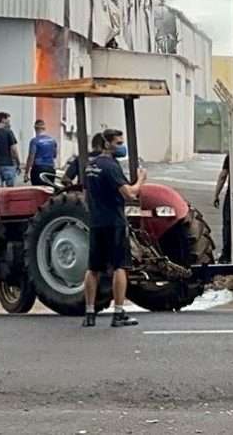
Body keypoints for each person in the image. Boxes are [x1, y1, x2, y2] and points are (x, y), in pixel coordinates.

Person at [82, 128, 146, 328]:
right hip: (114, 223)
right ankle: (118, 313)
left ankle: (90, 314)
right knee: (120, 267)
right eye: (118, 143)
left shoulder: (90, 166)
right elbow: (129, 194)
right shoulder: (111, 167)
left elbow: (86, 194)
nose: (121, 146)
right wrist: (141, 179)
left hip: (96, 222)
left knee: (93, 268)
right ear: (107, 143)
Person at [212, 154, 232, 264]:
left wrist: (216, 195)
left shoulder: (231, 154)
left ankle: (226, 256)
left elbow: (223, 175)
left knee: (228, 224)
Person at [27, 119, 59, 186]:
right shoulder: (53, 141)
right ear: (44, 128)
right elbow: (55, 155)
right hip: (50, 169)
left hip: (38, 169)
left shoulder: (34, 141)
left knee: (38, 191)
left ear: (35, 128)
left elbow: (31, 157)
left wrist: (26, 172)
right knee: (49, 191)